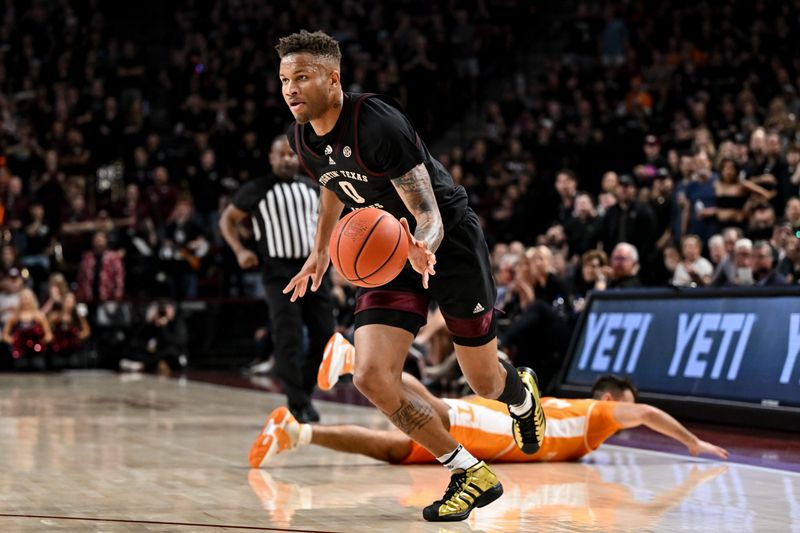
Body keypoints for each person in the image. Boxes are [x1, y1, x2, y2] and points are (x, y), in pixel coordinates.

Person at [276, 30, 545, 521]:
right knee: (372, 376)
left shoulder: (377, 124)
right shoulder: (302, 134)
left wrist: (423, 247)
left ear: (333, 78)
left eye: (301, 77)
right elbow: (333, 186)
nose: (290, 89)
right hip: (384, 249)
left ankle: (522, 395)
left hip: (447, 240)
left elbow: (429, 213)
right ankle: (468, 472)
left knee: (484, 382)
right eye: (284, 80)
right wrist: (319, 253)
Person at [249, 336, 728, 469]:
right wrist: (692, 442)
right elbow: (643, 413)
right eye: (626, 399)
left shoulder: (584, 431)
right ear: (609, 397)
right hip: (498, 432)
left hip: (497, 442)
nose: (631, 409)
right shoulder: (598, 415)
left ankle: (294, 432)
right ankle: (353, 357)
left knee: (396, 448)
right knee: (433, 412)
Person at [220, 134, 334, 423]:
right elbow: (227, 220)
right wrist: (240, 251)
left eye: (291, 155)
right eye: (281, 155)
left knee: (325, 336)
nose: (287, 159)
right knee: (289, 337)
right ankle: (297, 402)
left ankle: (303, 394)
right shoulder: (256, 189)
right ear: (271, 158)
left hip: (313, 270)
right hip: (278, 272)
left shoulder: (312, 187)